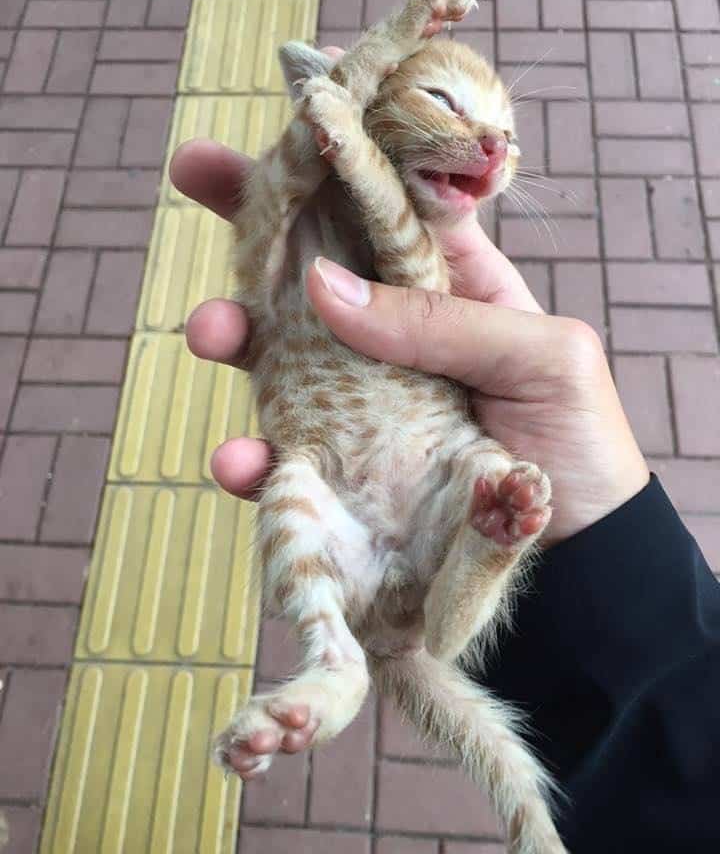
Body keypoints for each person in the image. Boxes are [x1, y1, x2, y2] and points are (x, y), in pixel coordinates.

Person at [170, 136, 720, 853]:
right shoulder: (334, 178)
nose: (495, 151)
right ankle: (342, 662)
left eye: (509, 135)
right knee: (297, 484)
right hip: (349, 489)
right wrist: (354, 98)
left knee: (453, 480)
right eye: (451, 111)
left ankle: (457, 574)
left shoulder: (406, 215)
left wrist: (356, 124)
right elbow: (289, 178)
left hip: (430, 481)